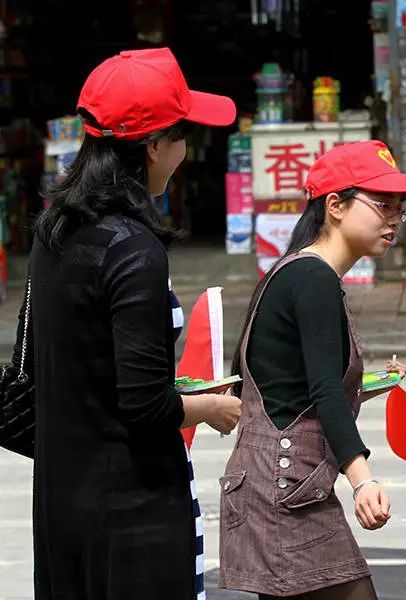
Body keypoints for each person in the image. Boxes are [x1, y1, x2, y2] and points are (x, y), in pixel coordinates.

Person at [15, 48, 242, 600]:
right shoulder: (132, 249)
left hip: (63, 505)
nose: (187, 151)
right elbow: (144, 406)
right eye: (184, 134)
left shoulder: (54, 232)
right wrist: (212, 405)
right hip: (131, 517)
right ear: (154, 145)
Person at [219, 140, 406, 600]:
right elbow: (322, 388)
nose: (394, 220)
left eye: (400, 210)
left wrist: (364, 387)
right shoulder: (315, 278)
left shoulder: (291, 272)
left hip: (274, 481)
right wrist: (363, 480)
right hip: (285, 485)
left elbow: (285, 380)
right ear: (336, 206)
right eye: (382, 204)